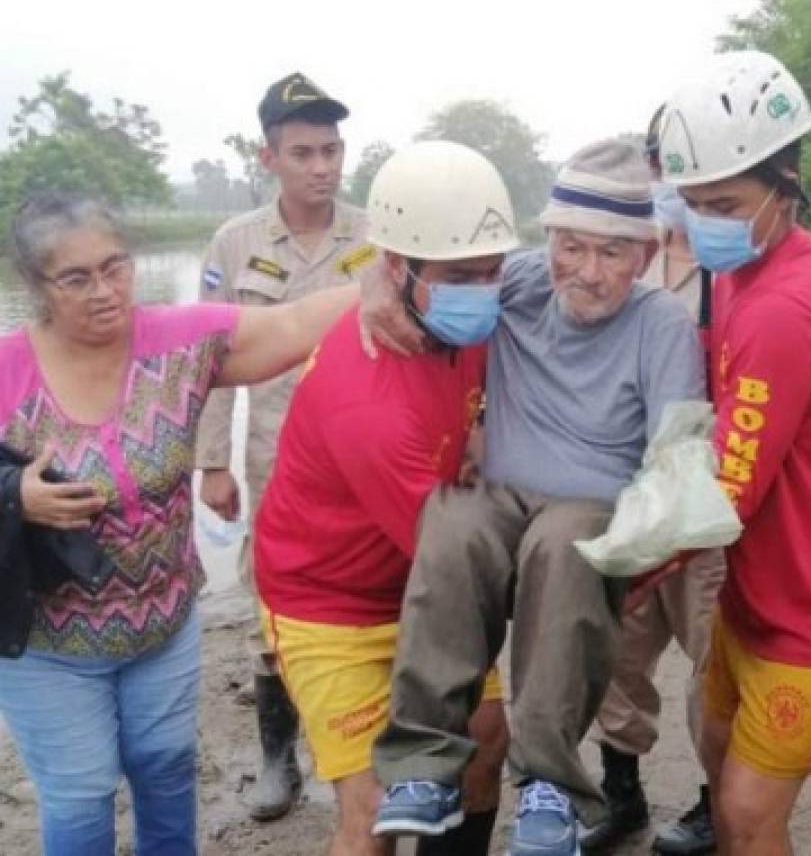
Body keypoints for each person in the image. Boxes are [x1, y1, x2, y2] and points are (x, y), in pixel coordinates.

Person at [365, 139, 707, 856]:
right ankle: (424, 761)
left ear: (643, 257)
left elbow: (675, 456)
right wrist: (373, 281)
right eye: (571, 247)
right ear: (545, 240)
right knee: (452, 518)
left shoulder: (660, 323)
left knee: (566, 542)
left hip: (590, 501)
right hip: (502, 495)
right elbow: (421, 280)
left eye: (612, 253)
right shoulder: (518, 281)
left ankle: (549, 779)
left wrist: (638, 553)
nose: (586, 272)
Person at [0, 191, 361, 856]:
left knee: (167, 775)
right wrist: (14, 497)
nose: (104, 291)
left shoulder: (178, 344)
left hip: (162, 627)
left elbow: (291, 326)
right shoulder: (6, 370)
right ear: (36, 283)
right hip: (51, 643)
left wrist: (408, 266)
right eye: (76, 278)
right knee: (79, 800)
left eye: (116, 267)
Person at [655, 50, 811, 855]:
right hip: (765, 589)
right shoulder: (745, 273)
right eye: (692, 204)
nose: (706, 223)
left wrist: (616, 571)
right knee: (718, 755)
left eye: (723, 202)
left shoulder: (785, 306)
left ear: (786, 180)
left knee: (747, 815)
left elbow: (725, 491)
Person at [252, 140, 518, 856]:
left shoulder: (459, 314)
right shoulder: (366, 401)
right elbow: (467, 574)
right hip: (327, 599)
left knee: (485, 738)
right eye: (463, 276)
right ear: (395, 268)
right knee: (374, 807)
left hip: (413, 573)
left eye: (494, 271)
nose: (486, 290)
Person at [194, 70, 371, 820]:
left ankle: (365, 751)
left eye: (331, 150)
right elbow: (202, 362)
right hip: (272, 462)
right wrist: (210, 465)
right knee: (271, 599)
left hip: (366, 460)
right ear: (269, 159)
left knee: (373, 595)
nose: (322, 166)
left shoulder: (374, 235)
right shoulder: (234, 244)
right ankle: (278, 759)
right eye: (303, 152)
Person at [583, 106, 725, 855]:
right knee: (618, 655)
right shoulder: (626, 259)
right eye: (658, 164)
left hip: (702, 507)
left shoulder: (730, 267)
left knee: (713, 660)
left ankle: (716, 806)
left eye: (681, 165)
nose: (668, 181)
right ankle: (622, 795)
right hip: (625, 498)